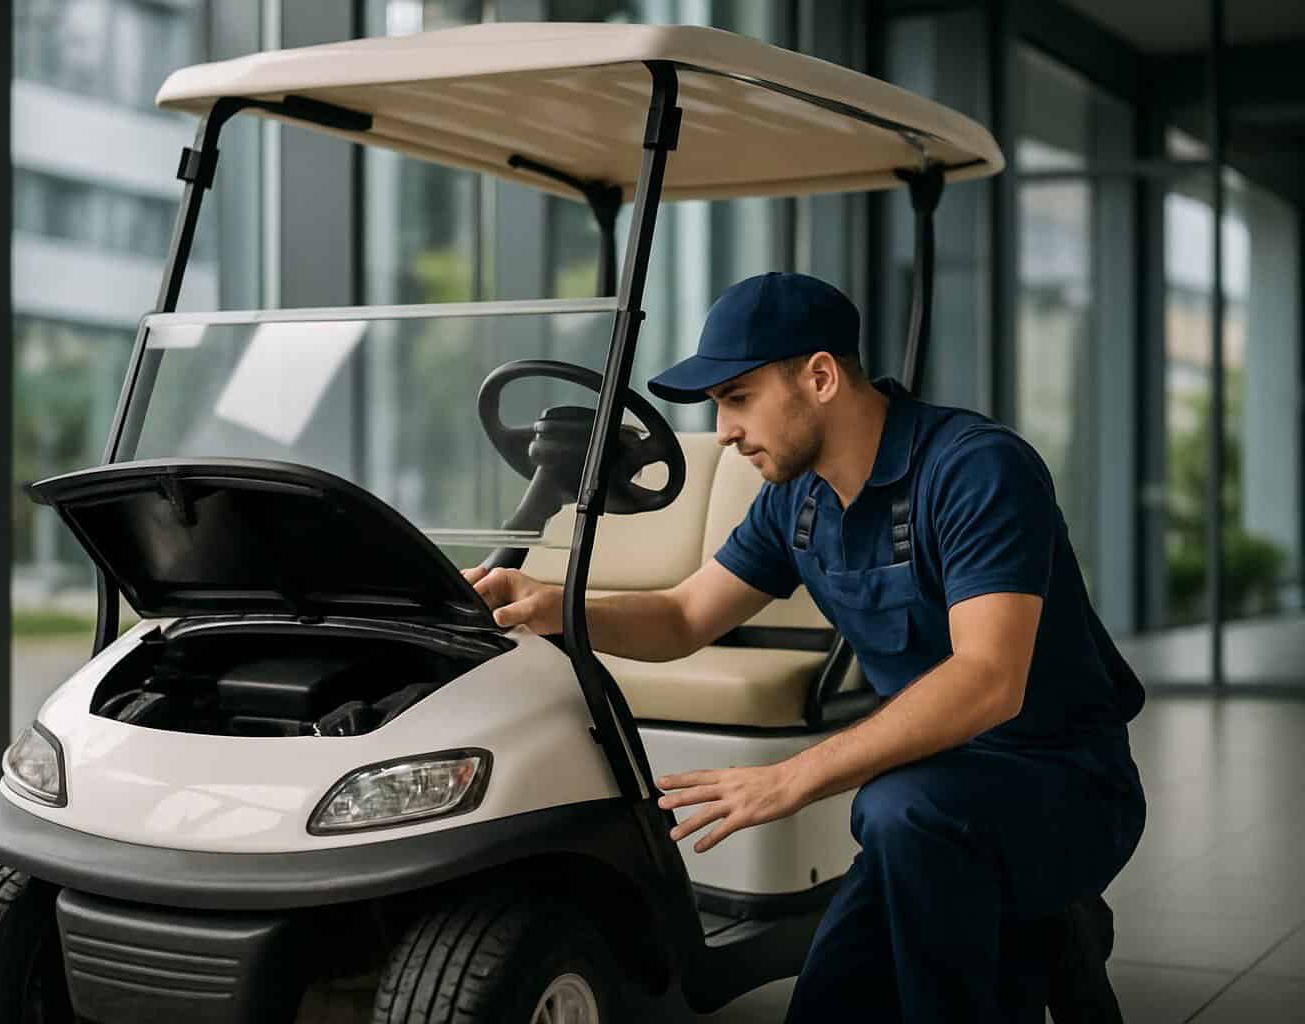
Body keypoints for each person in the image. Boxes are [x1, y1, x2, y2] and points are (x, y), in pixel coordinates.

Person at [463, 272, 1147, 1022]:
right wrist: (557, 609)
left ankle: (1036, 932)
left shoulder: (976, 469)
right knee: (833, 993)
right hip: (931, 798)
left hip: (1064, 782)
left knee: (900, 817)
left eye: (737, 398)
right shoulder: (799, 498)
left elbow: (988, 679)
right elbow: (687, 615)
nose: (722, 431)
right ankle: (1040, 940)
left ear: (820, 376)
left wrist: (790, 779)